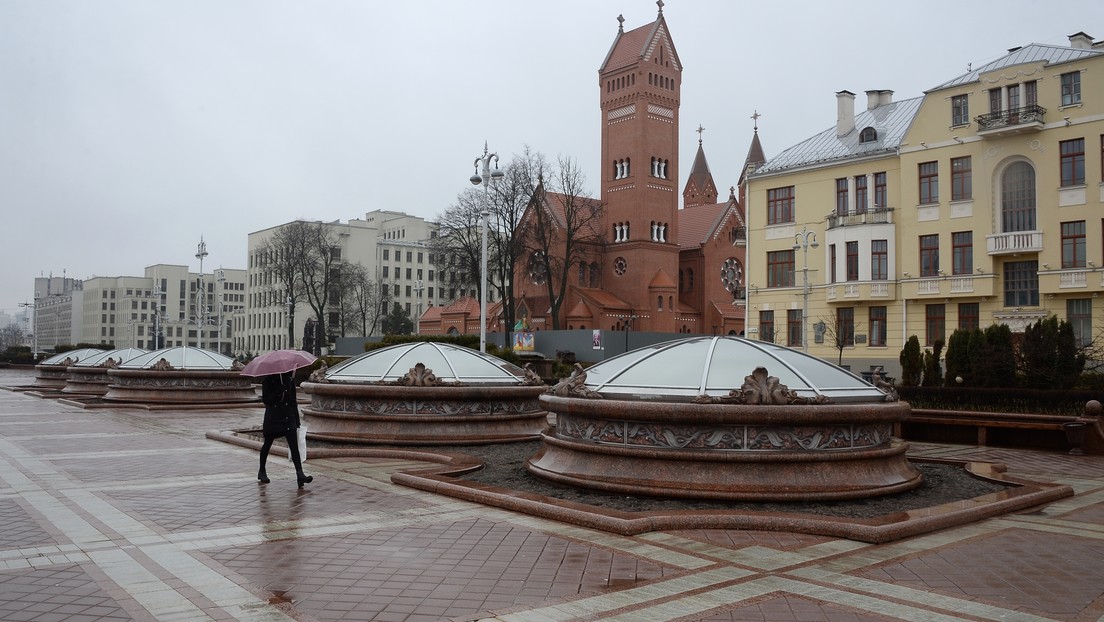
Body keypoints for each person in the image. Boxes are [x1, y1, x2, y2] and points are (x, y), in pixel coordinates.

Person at [258, 371, 313, 488]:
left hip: (288, 417)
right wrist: (278, 392)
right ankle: (262, 471)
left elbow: (293, 401)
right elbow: (266, 400)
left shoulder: (289, 380)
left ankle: (300, 475)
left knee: (294, 446)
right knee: (267, 444)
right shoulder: (268, 380)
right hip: (274, 418)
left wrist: (297, 420)